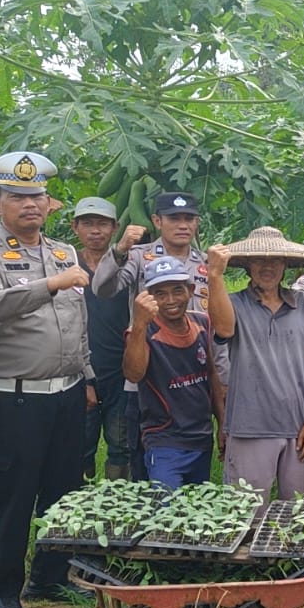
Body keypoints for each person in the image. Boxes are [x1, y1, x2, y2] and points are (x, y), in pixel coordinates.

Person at [0, 151, 92, 608]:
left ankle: (50, 577)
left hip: (67, 394)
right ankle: (3, 592)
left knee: (62, 491)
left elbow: (78, 323)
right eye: (17, 197)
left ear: (49, 202)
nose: (29, 204)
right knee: (10, 498)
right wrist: (52, 283)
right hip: (9, 399)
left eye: (36, 195)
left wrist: (88, 376)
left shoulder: (64, 251)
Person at [91, 191, 213, 481]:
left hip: (192, 379)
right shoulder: (138, 256)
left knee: (196, 469)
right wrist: (118, 250)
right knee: (146, 467)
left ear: (197, 223)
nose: (182, 225)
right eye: (174, 218)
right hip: (148, 376)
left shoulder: (205, 263)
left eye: (189, 218)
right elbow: (103, 289)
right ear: (158, 221)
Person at [206, 227, 304, 504]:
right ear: (248, 266)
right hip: (250, 427)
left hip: (297, 427)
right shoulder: (235, 304)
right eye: (259, 260)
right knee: (245, 515)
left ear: (285, 265)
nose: (267, 266)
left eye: (275, 260)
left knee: (303, 514)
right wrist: (214, 275)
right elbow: (224, 329)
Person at [123, 258, 223, 489]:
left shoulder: (202, 322)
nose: (170, 301)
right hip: (164, 439)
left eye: (177, 291)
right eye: (160, 294)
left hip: (201, 436)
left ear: (190, 290)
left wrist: (223, 424)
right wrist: (139, 324)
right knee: (165, 510)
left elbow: (211, 375)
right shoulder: (141, 332)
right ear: (149, 297)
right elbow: (134, 374)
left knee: (196, 511)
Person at [71, 197, 131, 480]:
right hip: (79, 369)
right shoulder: (66, 264)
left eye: (103, 224)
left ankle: (116, 506)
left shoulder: (127, 263)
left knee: (121, 444)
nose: (96, 231)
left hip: (121, 369)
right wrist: (84, 377)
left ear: (115, 227)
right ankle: (78, 505)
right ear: (76, 227)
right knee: (80, 445)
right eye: (88, 224)